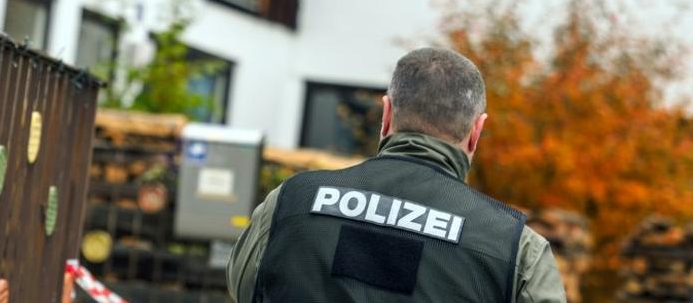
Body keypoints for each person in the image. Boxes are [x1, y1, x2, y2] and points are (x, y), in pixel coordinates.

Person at [227, 47, 567, 302]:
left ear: (386, 114)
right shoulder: (515, 249)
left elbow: (244, 290)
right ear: (477, 131)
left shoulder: (291, 202)